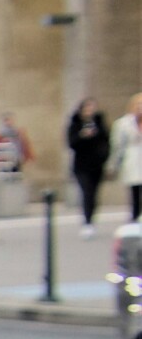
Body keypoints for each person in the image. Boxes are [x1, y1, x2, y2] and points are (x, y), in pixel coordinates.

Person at [67, 97, 110, 236]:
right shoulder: (75, 124)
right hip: (81, 165)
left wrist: (104, 156)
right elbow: (71, 143)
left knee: (94, 194)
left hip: (96, 164)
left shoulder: (99, 123)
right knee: (87, 191)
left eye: (92, 108)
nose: (89, 111)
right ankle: (87, 221)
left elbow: (106, 141)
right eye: (87, 108)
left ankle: (91, 218)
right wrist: (82, 135)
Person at [109, 93, 142, 227]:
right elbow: (117, 145)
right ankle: (135, 217)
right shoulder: (123, 123)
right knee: (135, 190)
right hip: (132, 158)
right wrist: (114, 164)